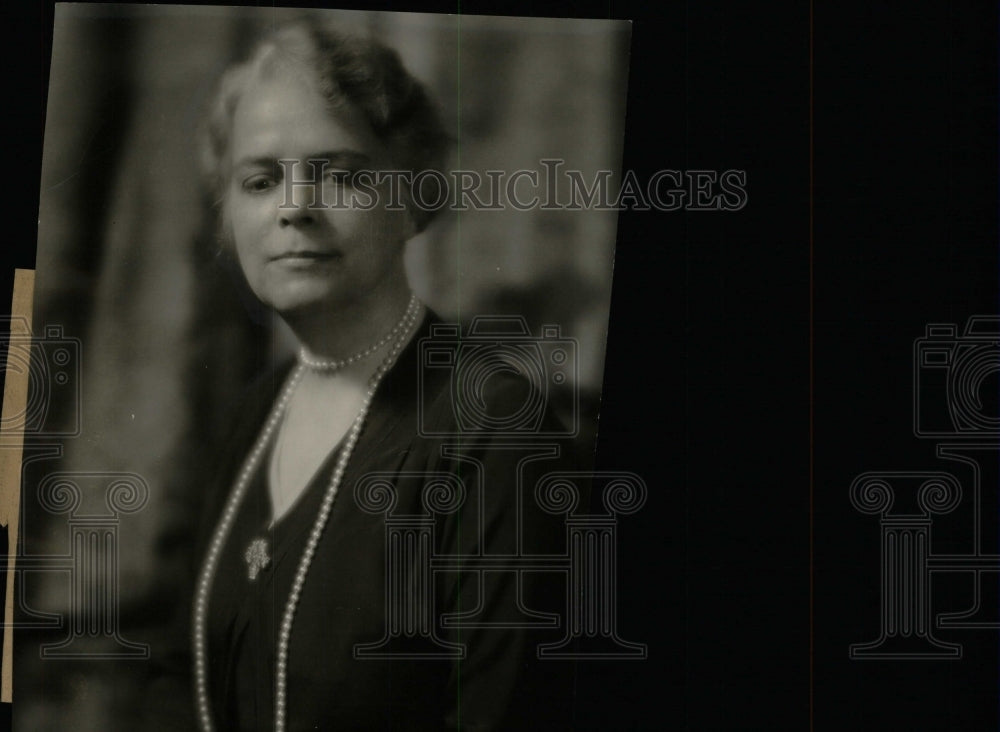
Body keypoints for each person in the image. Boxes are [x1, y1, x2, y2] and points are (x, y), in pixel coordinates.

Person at [175, 20, 579, 731]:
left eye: (341, 174)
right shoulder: (254, 415)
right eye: (261, 179)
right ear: (228, 212)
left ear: (414, 198)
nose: (295, 207)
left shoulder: (495, 430)